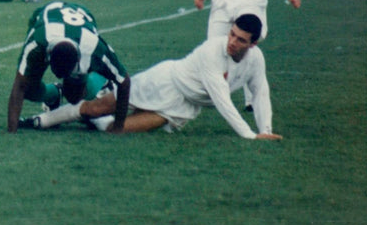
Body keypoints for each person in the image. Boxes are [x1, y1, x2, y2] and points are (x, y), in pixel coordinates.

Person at [25, 14, 283, 141]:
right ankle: (42, 120)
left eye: (241, 40)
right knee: (97, 107)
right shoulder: (213, 50)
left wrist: (265, 131)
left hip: (184, 107)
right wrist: (249, 136)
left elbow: (260, 92)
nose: (233, 42)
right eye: (232, 34)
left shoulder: (256, 60)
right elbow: (222, 99)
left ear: (253, 43)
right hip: (164, 81)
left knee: (115, 130)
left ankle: (83, 118)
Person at [7, 1, 130, 133]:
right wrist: (11, 130)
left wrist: (118, 126)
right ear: (48, 55)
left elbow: (124, 81)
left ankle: (100, 83)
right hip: (48, 14)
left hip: (82, 16)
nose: (60, 77)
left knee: (74, 97)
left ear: (79, 59)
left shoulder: (93, 49)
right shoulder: (37, 45)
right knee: (28, 89)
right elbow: (19, 85)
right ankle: (53, 94)